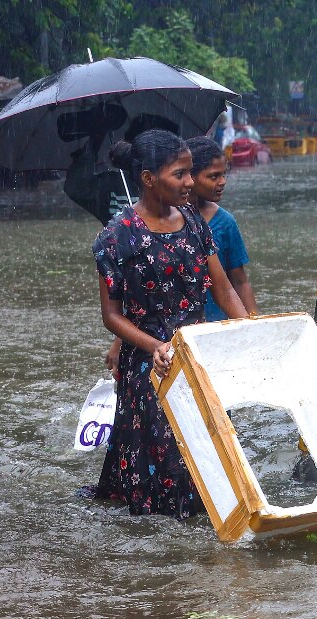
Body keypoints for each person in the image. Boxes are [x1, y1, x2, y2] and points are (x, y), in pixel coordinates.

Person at [92, 130, 249, 518]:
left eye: (191, 173)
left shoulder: (195, 223)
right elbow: (111, 315)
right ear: (148, 179)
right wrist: (154, 346)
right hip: (151, 361)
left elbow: (225, 289)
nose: (190, 183)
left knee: (211, 450)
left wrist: (249, 330)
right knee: (166, 456)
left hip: (197, 355)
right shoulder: (116, 237)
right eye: (180, 175)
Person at [185, 136, 258, 320]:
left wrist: (254, 322)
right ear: (189, 177)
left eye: (223, 174)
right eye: (213, 176)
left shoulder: (225, 223)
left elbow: (240, 282)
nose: (223, 181)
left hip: (218, 325)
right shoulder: (163, 222)